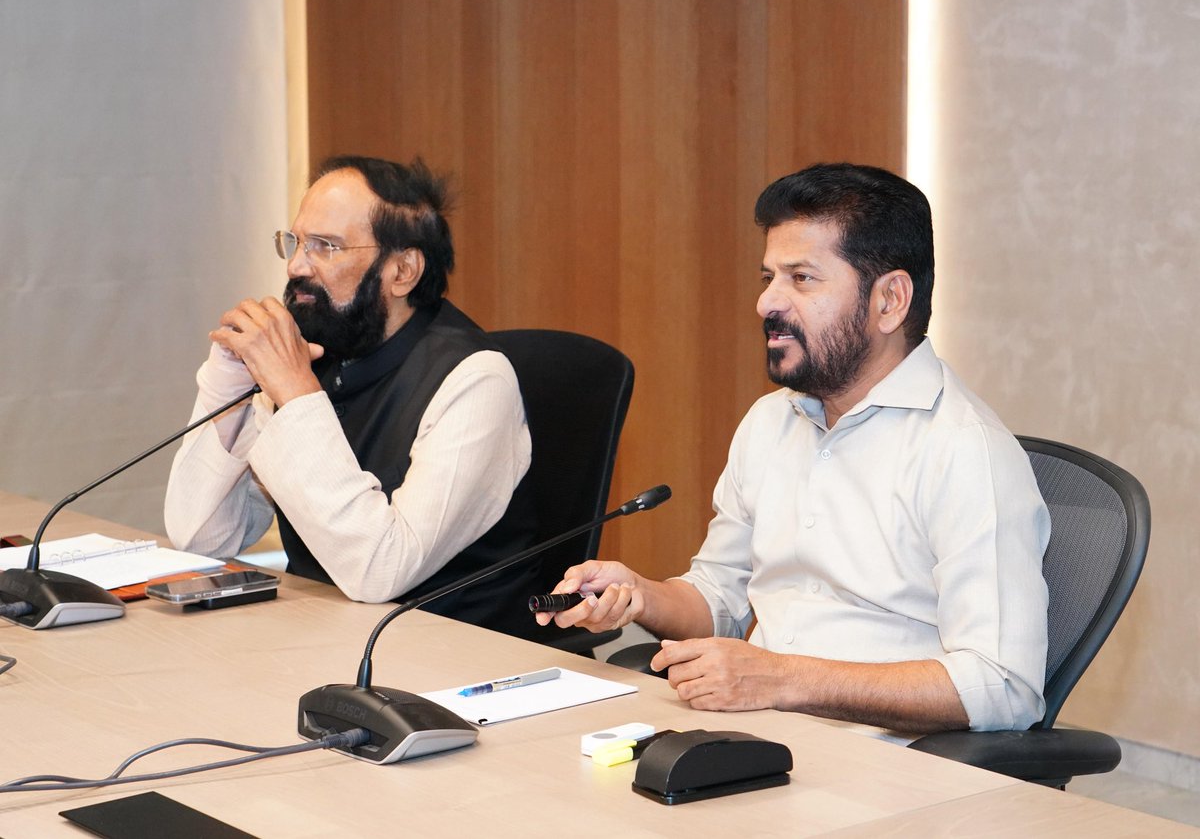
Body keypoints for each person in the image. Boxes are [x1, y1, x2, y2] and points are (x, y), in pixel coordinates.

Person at [537, 163, 1050, 735]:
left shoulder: (965, 452)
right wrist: (639, 597)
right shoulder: (769, 423)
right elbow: (720, 601)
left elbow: (1003, 687)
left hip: (885, 774)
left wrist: (781, 679)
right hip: (754, 734)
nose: (766, 304)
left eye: (801, 278)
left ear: (890, 301)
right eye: (768, 278)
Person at [165, 155, 542, 638]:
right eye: (297, 242)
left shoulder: (476, 380)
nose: (297, 266)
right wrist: (228, 384)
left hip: (453, 659)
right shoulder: (318, 355)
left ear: (402, 271)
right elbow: (203, 537)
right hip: (322, 640)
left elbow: (381, 570)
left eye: (326, 246)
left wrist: (297, 394)